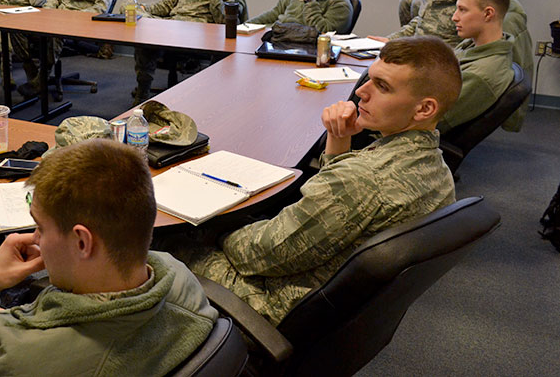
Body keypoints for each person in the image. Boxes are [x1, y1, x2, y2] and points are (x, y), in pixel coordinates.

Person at [159, 36, 462, 325]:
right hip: (334, 306)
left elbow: (258, 255)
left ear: (424, 108)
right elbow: (345, 201)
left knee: (155, 238)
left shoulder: (364, 178)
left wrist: (217, 225)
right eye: (369, 78)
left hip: (272, 304)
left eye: (382, 86)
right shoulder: (436, 170)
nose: (361, 92)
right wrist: (338, 138)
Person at [0, 139, 217, 374]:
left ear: (81, 242)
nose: (34, 239)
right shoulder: (179, 281)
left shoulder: (23, 360)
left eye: (39, 227)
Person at [132, 0, 244, 104]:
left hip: (197, 33)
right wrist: (141, 7)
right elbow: (165, 6)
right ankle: (142, 93)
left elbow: (222, 20)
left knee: (150, 31)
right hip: (171, 26)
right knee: (133, 18)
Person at [17, 0, 115, 99]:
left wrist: (68, 19)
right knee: (15, 28)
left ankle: (41, 79)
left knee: (55, 34)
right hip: (56, 18)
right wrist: (47, 14)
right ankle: (31, 69)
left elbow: (99, 9)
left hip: (79, 27)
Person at [438, 0, 514, 133]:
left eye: (462, 10)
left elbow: (434, 120)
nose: (454, 17)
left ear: (487, 14)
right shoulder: (474, 45)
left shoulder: (480, 74)